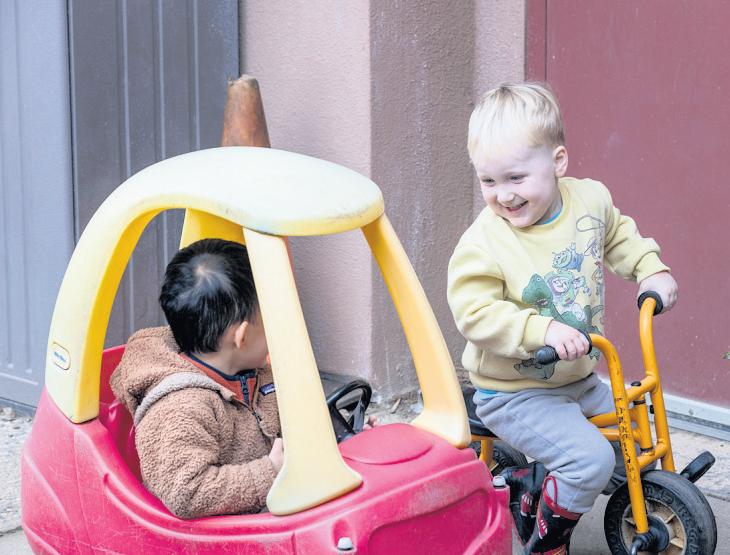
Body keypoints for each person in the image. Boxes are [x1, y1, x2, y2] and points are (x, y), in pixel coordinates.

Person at [447, 83, 677, 553]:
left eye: (515, 178)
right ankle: (547, 539)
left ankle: (540, 483)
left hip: (577, 377)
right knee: (590, 461)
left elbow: (618, 236)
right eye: (488, 182)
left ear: (558, 162)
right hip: (514, 393)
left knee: (633, 442)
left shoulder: (589, 202)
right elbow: (475, 313)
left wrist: (650, 268)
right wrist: (542, 330)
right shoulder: (483, 244)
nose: (503, 195)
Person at [111, 238, 283, 519]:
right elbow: (186, 493)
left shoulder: (256, 371)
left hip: (264, 514)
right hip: (212, 534)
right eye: (271, 323)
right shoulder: (179, 409)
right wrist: (270, 472)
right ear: (242, 337)